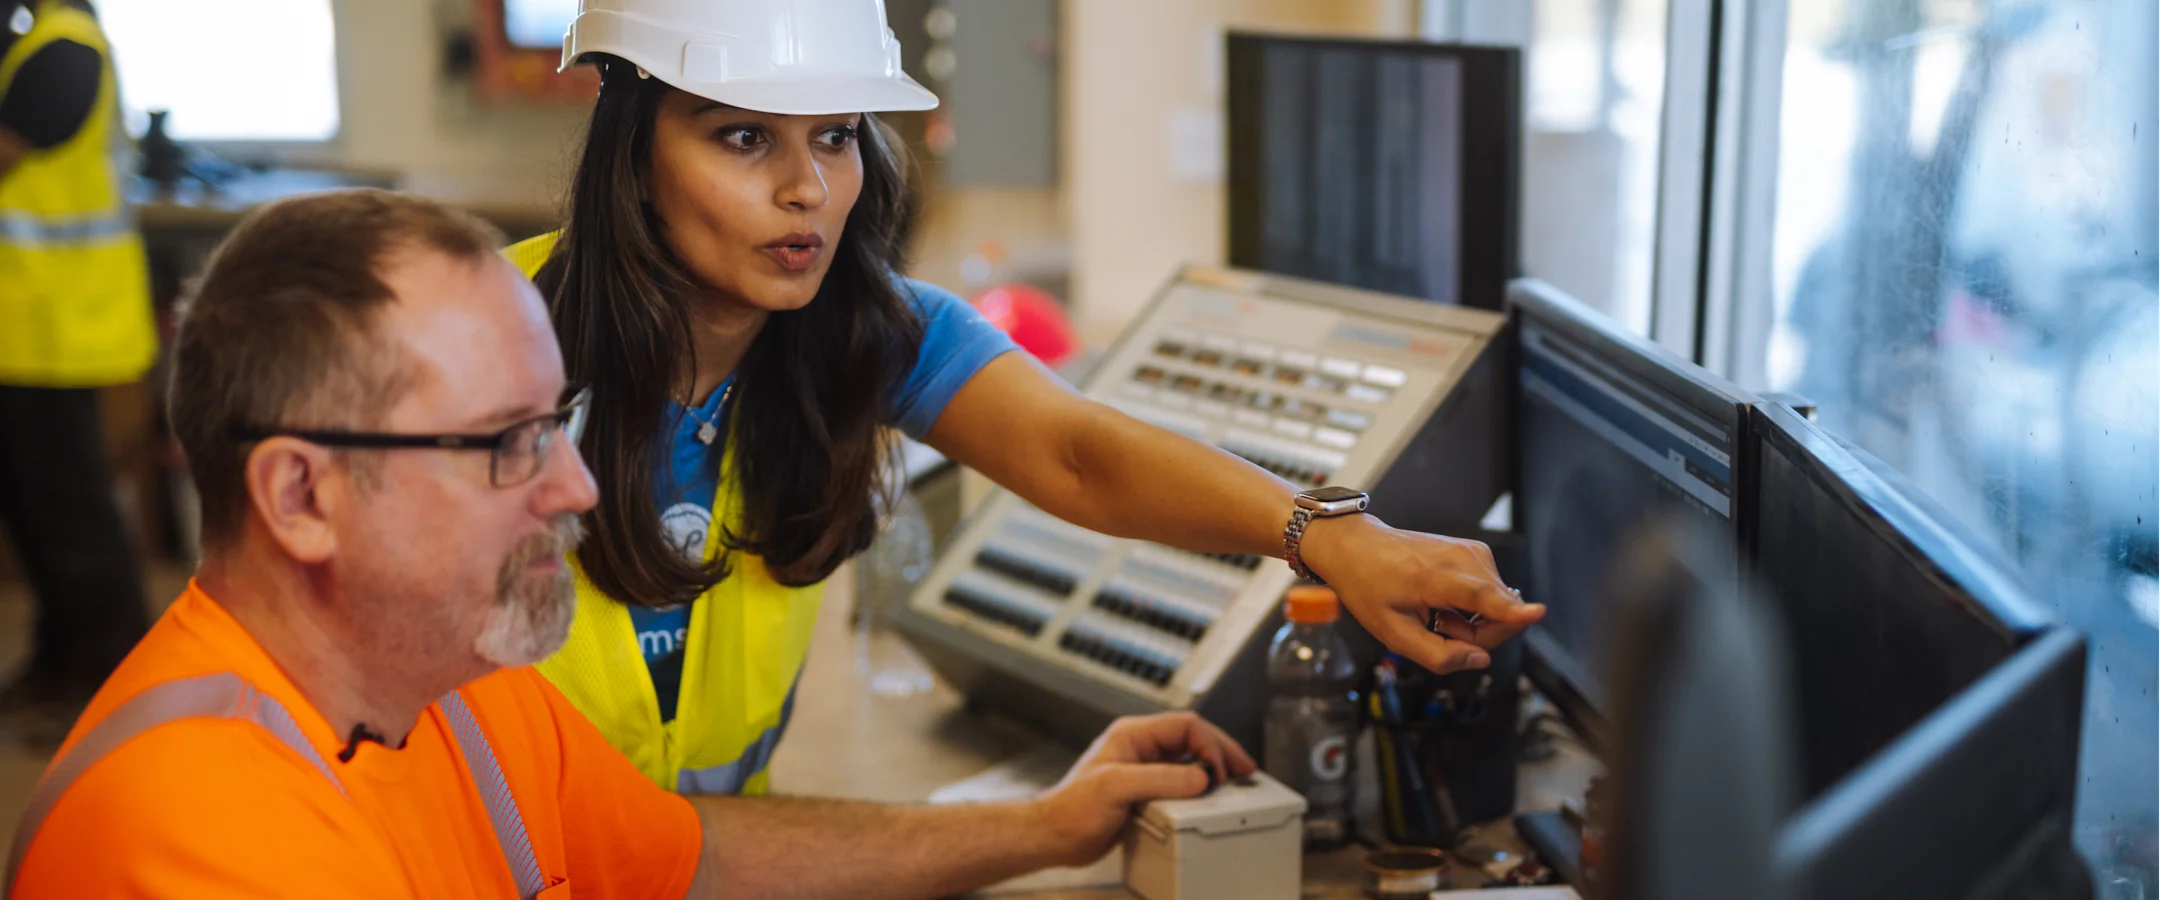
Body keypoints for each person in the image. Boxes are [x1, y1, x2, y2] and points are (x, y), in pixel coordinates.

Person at [5, 188, 1258, 898]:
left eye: (561, 425)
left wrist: (1045, 825)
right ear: (299, 497)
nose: (575, 487)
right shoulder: (198, 838)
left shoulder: (452, 699)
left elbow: (693, 853)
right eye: (504, 443)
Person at [514, 0, 1547, 797]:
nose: (809, 190)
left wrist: (1330, 537)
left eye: (834, 135)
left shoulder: (865, 329)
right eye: (743, 137)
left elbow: (1075, 451)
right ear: (634, 151)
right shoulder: (477, 345)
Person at [0, 0, 156, 723]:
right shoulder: (42, 45)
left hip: (56, 324)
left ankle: (110, 673)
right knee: (40, 510)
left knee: (70, 511)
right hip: (29, 324)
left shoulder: (64, 50)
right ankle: (61, 662)